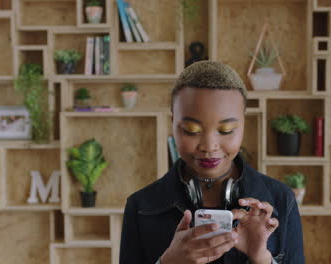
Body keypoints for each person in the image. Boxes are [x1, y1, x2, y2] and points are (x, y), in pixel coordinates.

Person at [120, 61, 305, 264]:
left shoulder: (282, 200)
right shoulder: (140, 206)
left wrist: (261, 258)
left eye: (226, 131)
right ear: (173, 123)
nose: (209, 146)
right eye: (191, 130)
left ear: (244, 124)